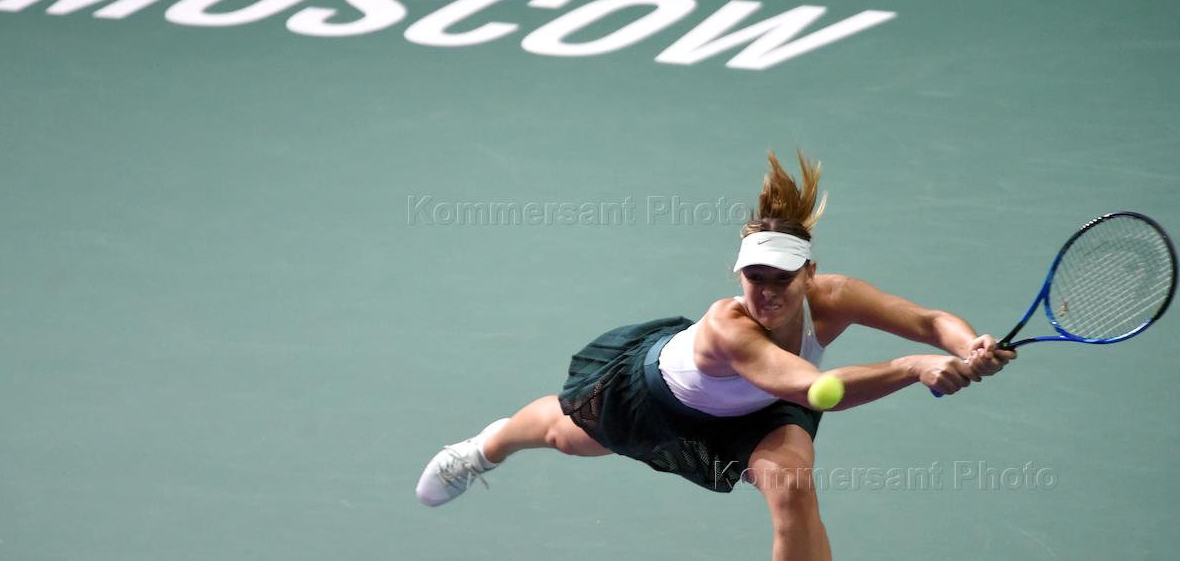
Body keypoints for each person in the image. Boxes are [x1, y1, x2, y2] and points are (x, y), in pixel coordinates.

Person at [415, 151, 1016, 560]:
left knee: (792, 485)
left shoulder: (835, 297)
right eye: (755, 277)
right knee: (567, 437)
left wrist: (967, 345)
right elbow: (816, 389)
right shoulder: (731, 328)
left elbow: (928, 321)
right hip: (662, 399)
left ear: (809, 272)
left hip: (764, 408)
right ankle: (484, 447)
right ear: (738, 274)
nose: (768, 292)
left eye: (782, 278)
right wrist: (913, 368)